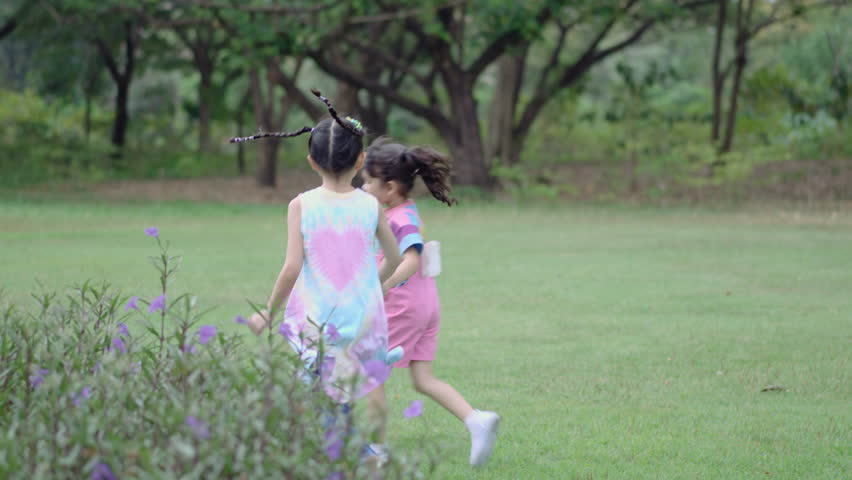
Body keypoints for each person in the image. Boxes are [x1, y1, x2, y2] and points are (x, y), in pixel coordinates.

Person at [236, 89, 402, 409]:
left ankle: (329, 441)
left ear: (312, 162)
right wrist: (370, 287)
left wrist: (268, 311)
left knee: (319, 391)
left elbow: (292, 267)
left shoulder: (301, 205)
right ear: (361, 159)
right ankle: (357, 447)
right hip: (357, 314)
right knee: (344, 391)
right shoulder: (370, 205)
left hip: (315, 315)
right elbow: (394, 258)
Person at [360, 138, 500, 467]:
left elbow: (411, 258)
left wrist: (383, 287)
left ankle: (376, 452)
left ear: (390, 187)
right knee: (423, 379)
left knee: (371, 372)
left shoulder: (398, 219)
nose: (363, 187)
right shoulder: (405, 211)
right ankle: (476, 420)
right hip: (426, 306)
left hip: (403, 307)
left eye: (368, 181)